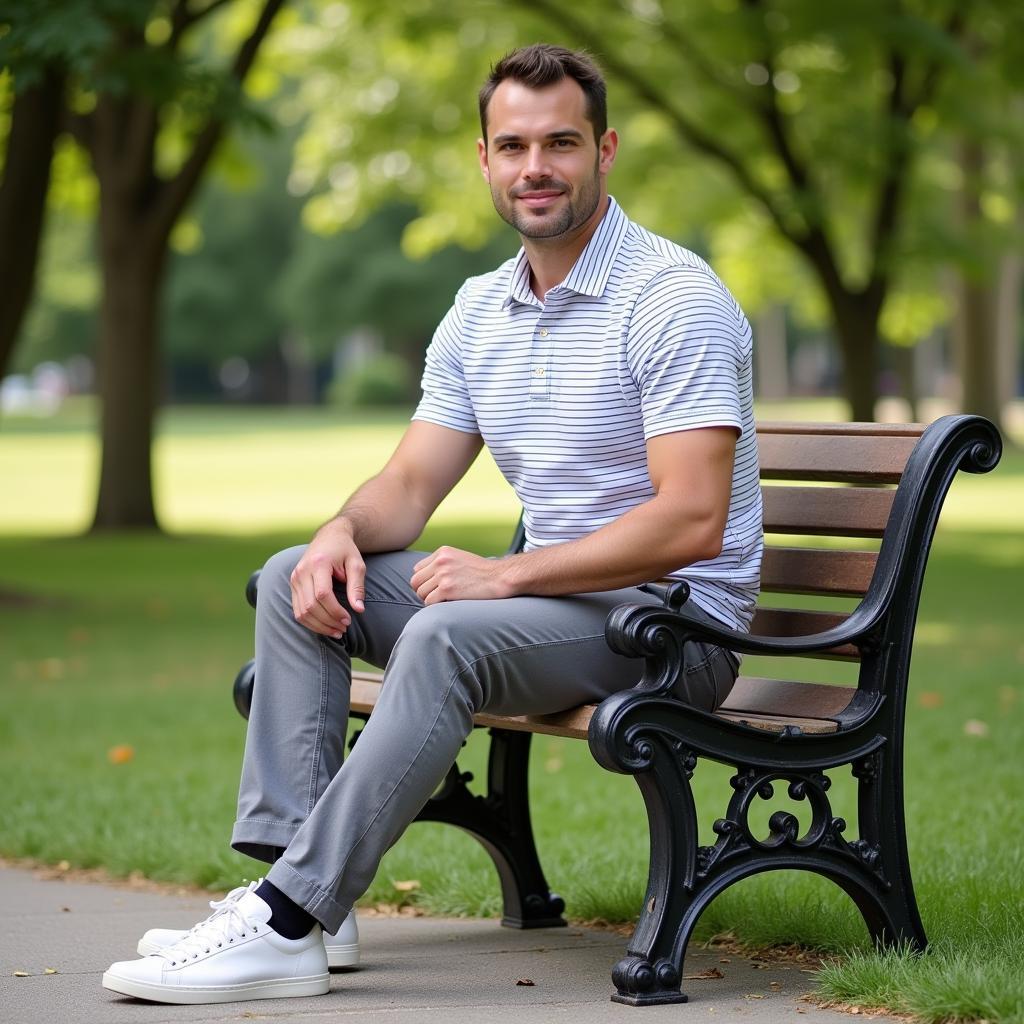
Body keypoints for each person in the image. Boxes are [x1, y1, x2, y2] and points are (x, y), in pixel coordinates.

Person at [102, 42, 762, 1005]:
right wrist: (339, 531)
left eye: (561, 143)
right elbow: (410, 483)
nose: (535, 167)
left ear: (605, 151)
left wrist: (507, 577)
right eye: (513, 145)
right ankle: (303, 914)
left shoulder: (671, 299)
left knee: (449, 637)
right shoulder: (480, 309)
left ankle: (287, 918)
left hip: (672, 625)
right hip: (560, 607)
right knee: (304, 578)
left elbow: (694, 521)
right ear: (485, 160)